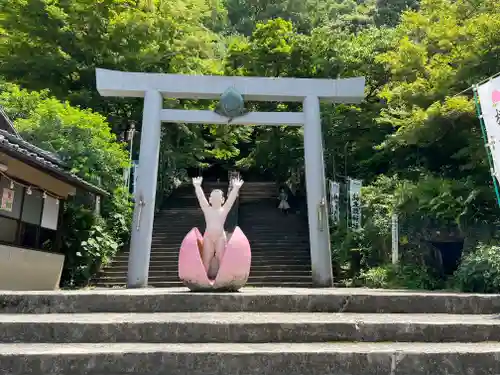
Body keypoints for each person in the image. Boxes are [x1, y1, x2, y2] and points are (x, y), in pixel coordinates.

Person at [192, 176, 244, 279]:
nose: (216, 199)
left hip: (220, 236)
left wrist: (236, 188)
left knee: (222, 258)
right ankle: (204, 278)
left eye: (218, 197)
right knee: (206, 259)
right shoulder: (207, 209)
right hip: (208, 237)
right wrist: (197, 187)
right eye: (213, 197)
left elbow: (230, 201)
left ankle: (223, 278)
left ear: (222, 200)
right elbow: (201, 199)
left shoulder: (224, 210)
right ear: (210, 199)